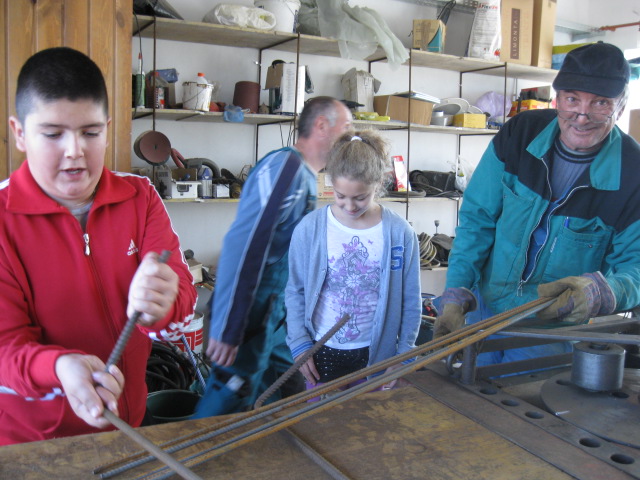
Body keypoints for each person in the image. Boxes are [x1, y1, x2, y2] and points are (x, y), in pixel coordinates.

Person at [0, 47, 197, 445]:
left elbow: (181, 302)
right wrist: (59, 367)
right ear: (19, 133)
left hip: (130, 423)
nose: (74, 151)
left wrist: (164, 305)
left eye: (90, 133)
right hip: (36, 443)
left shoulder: (139, 197)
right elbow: (5, 347)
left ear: (107, 128)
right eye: (53, 134)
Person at [434, 42, 640, 366]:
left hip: (551, 332)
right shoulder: (519, 134)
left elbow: (636, 267)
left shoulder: (632, 174)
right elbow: (477, 220)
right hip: (486, 312)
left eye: (600, 103)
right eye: (572, 99)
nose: (582, 115)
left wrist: (603, 292)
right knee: (467, 391)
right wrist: (457, 291)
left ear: (622, 105)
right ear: (557, 99)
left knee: (525, 399)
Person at [194, 96, 353, 417]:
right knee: (228, 404)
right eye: (346, 126)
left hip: (277, 318)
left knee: (287, 392)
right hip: (251, 316)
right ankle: (189, 450)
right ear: (322, 125)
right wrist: (228, 327)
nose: (351, 135)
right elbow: (245, 247)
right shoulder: (286, 170)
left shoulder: (304, 177)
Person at [285, 130, 421, 396]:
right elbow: (295, 290)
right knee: (322, 419)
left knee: (369, 420)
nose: (349, 206)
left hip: (377, 355)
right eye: (340, 196)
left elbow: (411, 300)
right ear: (330, 182)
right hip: (321, 352)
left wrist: (404, 354)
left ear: (379, 183)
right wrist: (299, 343)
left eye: (360, 197)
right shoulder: (310, 229)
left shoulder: (400, 233)